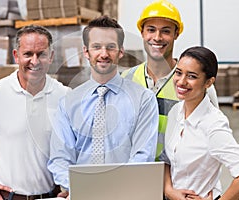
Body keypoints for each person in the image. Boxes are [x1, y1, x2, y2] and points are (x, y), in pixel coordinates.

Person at [0, 25, 71, 200]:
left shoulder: (65, 96)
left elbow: (80, 146)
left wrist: (73, 184)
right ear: (16, 56)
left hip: (52, 197)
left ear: (51, 57)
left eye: (42, 54)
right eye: (28, 54)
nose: (35, 61)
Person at [47, 15, 159, 199]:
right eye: (96, 47)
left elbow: (142, 157)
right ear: (86, 51)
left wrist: (111, 191)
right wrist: (78, 188)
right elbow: (60, 158)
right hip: (81, 195)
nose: (104, 54)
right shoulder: (69, 103)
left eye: (111, 47)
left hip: (126, 196)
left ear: (121, 51)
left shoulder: (143, 100)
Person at [121, 0, 219, 161]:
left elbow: (212, 136)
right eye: (151, 30)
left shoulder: (198, 85)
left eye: (165, 31)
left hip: (179, 176)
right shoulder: (126, 80)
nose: (157, 38)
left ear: (176, 34)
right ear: (142, 33)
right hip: (136, 173)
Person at [161, 46, 239, 200]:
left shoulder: (213, 124)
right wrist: (169, 190)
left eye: (191, 76)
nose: (181, 81)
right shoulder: (175, 111)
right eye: (178, 73)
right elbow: (167, 158)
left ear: (208, 82)